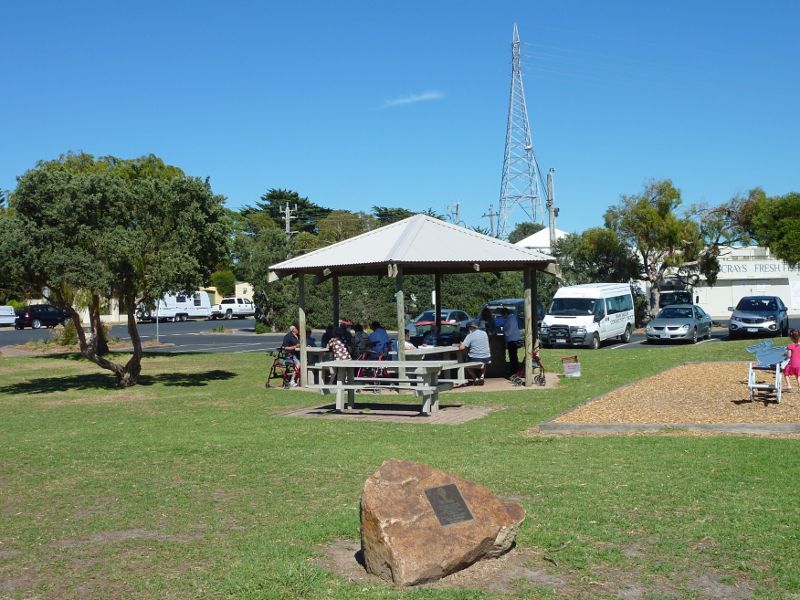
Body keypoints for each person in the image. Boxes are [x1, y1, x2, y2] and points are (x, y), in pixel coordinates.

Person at [458, 320, 491, 385]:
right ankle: (482, 377)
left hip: (475, 358)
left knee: (464, 364)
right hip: (487, 357)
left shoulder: (470, 335)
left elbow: (461, 348)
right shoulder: (484, 333)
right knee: (483, 362)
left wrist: (461, 343)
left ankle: (475, 378)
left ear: (470, 328)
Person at [501, 307, 521, 377]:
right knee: (513, 356)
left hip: (512, 340)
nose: (503, 317)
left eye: (503, 315)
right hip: (512, 340)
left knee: (513, 357)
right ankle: (514, 370)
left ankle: (515, 371)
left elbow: (509, 331)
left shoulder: (511, 319)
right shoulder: (511, 318)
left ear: (506, 313)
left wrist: (504, 332)